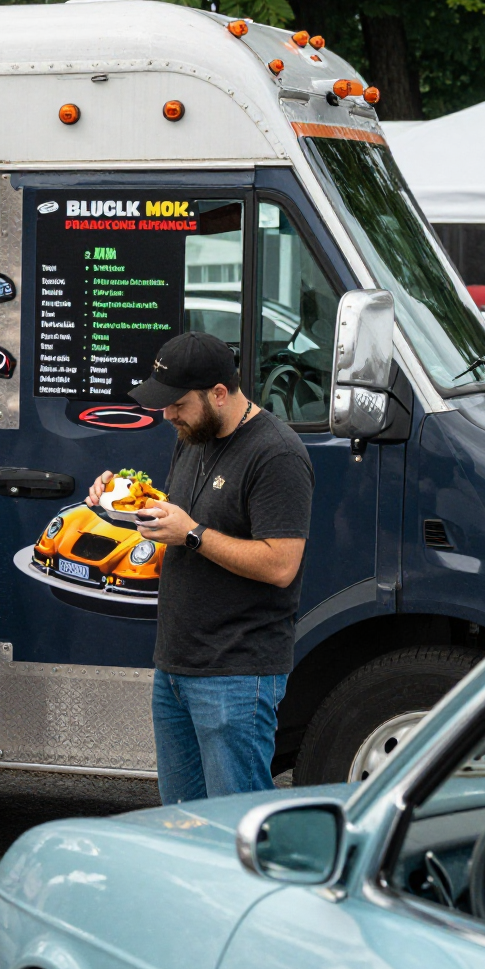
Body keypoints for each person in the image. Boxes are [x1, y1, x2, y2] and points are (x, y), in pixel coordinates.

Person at [85, 330, 313, 804]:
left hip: (235, 672)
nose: (166, 415)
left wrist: (192, 534)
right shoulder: (194, 435)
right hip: (176, 667)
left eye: (178, 404)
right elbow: (184, 517)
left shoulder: (278, 453)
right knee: (182, 825)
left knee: (236, 830)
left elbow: (280, 564)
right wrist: (119, 501)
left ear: (219, 393)